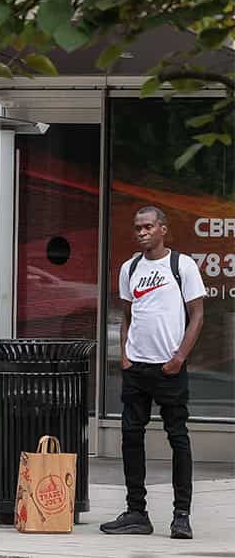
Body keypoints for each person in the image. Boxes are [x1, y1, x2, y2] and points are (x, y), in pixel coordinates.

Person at [100, 206, 205, 539]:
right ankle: (136, 513)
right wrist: (126, 355)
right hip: (136, 368)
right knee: (131, 437)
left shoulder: (182, 265)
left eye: (148, 226)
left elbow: (197, 316)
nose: (141, 232)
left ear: (163, 229)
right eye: (137, 228)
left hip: (169, 368)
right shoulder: (129, 268)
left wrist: (179, 358)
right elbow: (127, 313)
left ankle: (181, 515)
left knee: (178, 438)